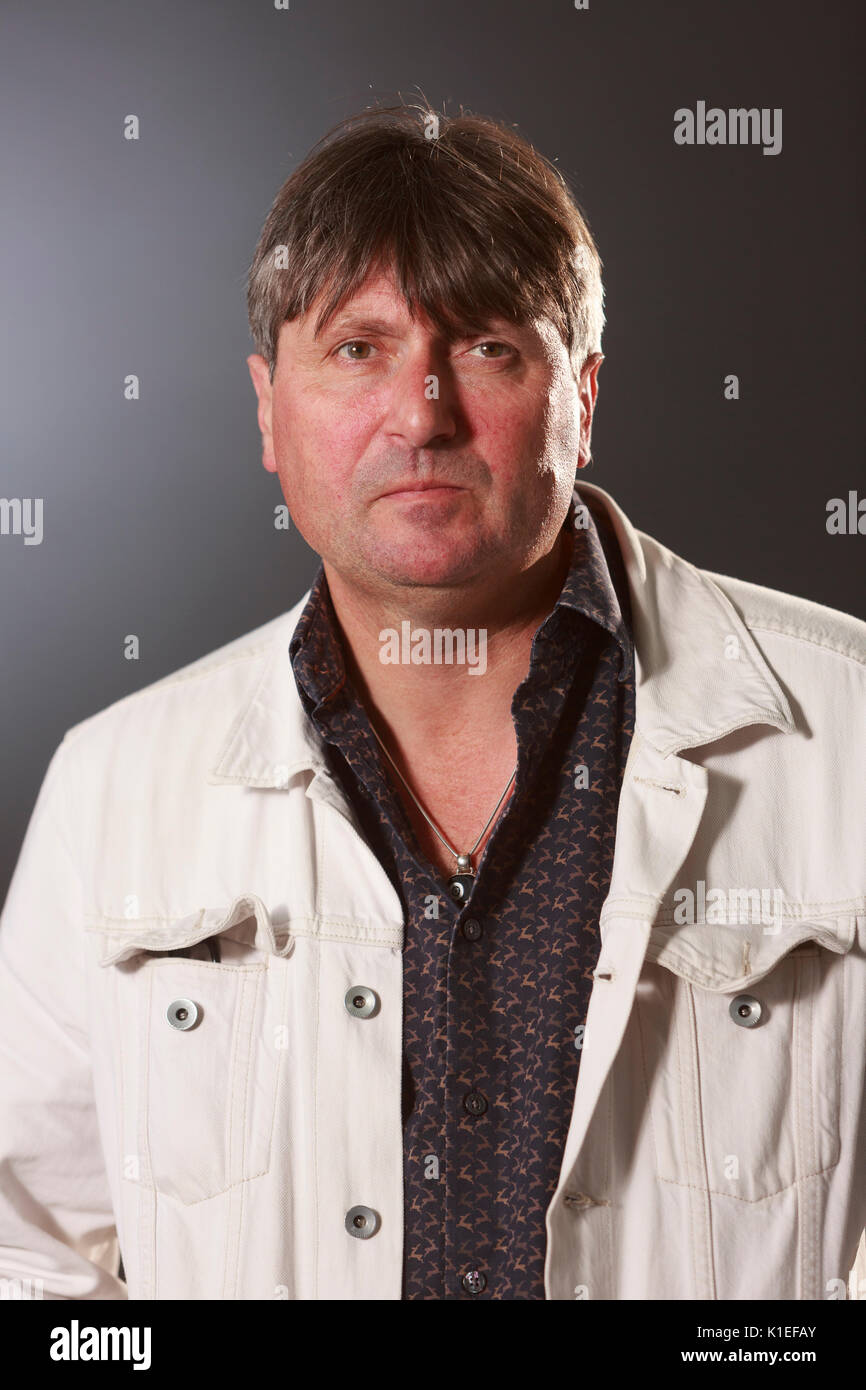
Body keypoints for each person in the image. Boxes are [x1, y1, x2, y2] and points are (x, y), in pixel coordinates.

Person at [0, 104, 863, 1302]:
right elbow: (28, 1259)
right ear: (266, 406)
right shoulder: (114, 786)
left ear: (585, 393)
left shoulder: (847, 736)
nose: (421, 414)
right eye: (357, 348)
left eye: (487, 348)